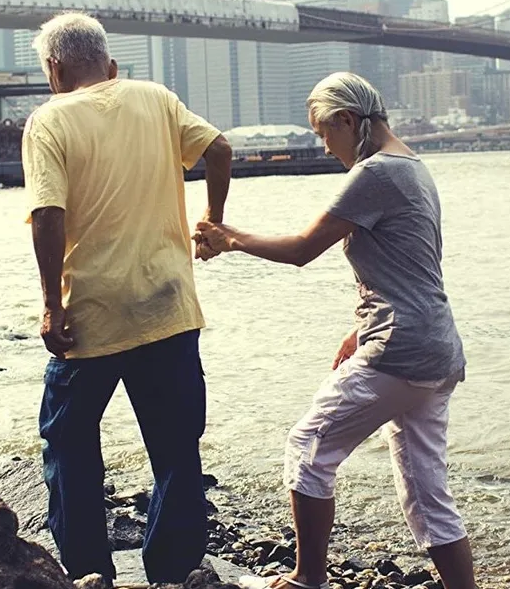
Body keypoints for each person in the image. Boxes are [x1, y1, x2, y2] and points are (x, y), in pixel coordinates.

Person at [195, 73, 476, 589]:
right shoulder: (413, 166)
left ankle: (308, 579)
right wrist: (360, 328)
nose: (325, 147)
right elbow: (408, 267)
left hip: (401, 348)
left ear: (346, 120)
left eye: (324, 133)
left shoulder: (376, 172)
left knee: (307, 449)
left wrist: (229, 237)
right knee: (426, 492)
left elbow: (303, 249)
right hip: (436, 348)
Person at [22, 12, 234, 584]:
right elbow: (219, 149)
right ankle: (172, 571)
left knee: (69, 443)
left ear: (54, 69)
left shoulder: (48, 121)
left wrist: (51, 304)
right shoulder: (157, 99)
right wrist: (211, 221)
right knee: (176, 449)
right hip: (168, 306)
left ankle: (89, 571)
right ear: (111, 65)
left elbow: (47, 214)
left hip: (92, 316)